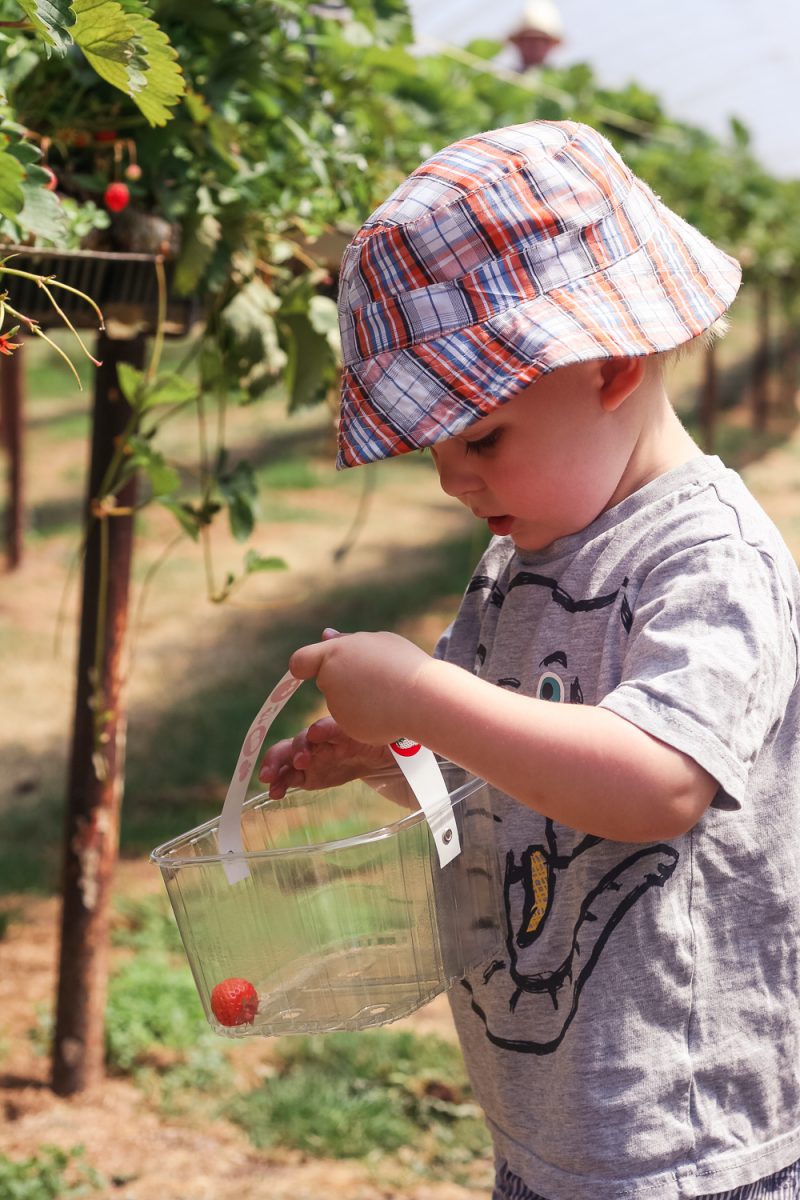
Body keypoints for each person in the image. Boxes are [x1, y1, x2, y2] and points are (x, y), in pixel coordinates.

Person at [258, 121, 800, 1200]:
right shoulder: (519, 556)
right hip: (553, 1111)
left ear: (609, 366)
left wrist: (418, 690)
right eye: (435, 449)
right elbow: (503, 739)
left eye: (481, 437)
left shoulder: (708, 560)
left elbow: (655, 782)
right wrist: (386, 748)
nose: (452, 480)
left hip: (683, 1136)